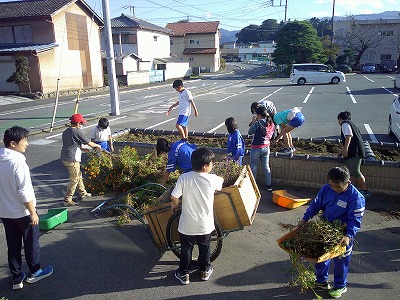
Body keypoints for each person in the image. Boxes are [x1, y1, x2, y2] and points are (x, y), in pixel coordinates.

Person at [298, 166, 366, 299]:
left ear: (347, 183)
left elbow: (355, 219)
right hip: (325, 228)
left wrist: (348, 235)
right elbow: (316, 205)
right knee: (321, 254)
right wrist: (305, 219)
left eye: (337, 187)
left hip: (341, 232)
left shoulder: (356, 198)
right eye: (332, 185)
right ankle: (321, 281)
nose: (334, 189)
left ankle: (340, 285)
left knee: (341, 260)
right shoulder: (326, 188)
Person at [0, 126, 53, 290]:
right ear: (13, 143)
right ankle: (35, 272)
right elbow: (24, 192)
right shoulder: (18, 163)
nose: (27, 144)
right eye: (25, 140)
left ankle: (17, 278)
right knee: (31, 244)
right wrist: (32, 213)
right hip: (23, 213)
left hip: (5, 212)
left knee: (13, 245)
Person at [170, 147, 224, 285]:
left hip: (187, 224)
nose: (212, 165)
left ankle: (184, 274)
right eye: (211, 163)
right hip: (205, 225)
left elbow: (174, 197)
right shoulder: (212, 179)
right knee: (204, 247)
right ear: (205, 166)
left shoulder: (184, 178)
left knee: (186, 249)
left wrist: (175, 204)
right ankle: (205, 270)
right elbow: (221, 182)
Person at [61, 114, 102, 206]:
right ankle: (67, 199)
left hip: (65, 157)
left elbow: (72, 143)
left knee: (78, 175)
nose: (82, 125)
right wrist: (97, 146)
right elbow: (89, 143)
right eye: (81, 123)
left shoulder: (66, 131)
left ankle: (83, 192)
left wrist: (82, 148)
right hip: (72, 159)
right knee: (74, 179)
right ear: (78, 123)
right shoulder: (76, 131)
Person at [337, 111, 371, 198]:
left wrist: (345, 149)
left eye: (338, 120)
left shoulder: (345, 124)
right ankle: (350, 190)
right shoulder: (351, 124)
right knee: (352, 172)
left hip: (355, 152)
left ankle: (365, 191)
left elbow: (348, 136)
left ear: (340, 119)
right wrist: (342, 150)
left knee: (356, 172)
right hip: (356, 150)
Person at [248, 106, 275, 192]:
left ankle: (253, 185)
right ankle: (269, 185)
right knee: (266, 166)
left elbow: (250, 132)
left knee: (253, 167)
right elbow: (272, 135)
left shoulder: (257, 123)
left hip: (256, 147)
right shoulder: (271, 123)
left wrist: (253, 122)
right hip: (266, 147)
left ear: (259, 115)